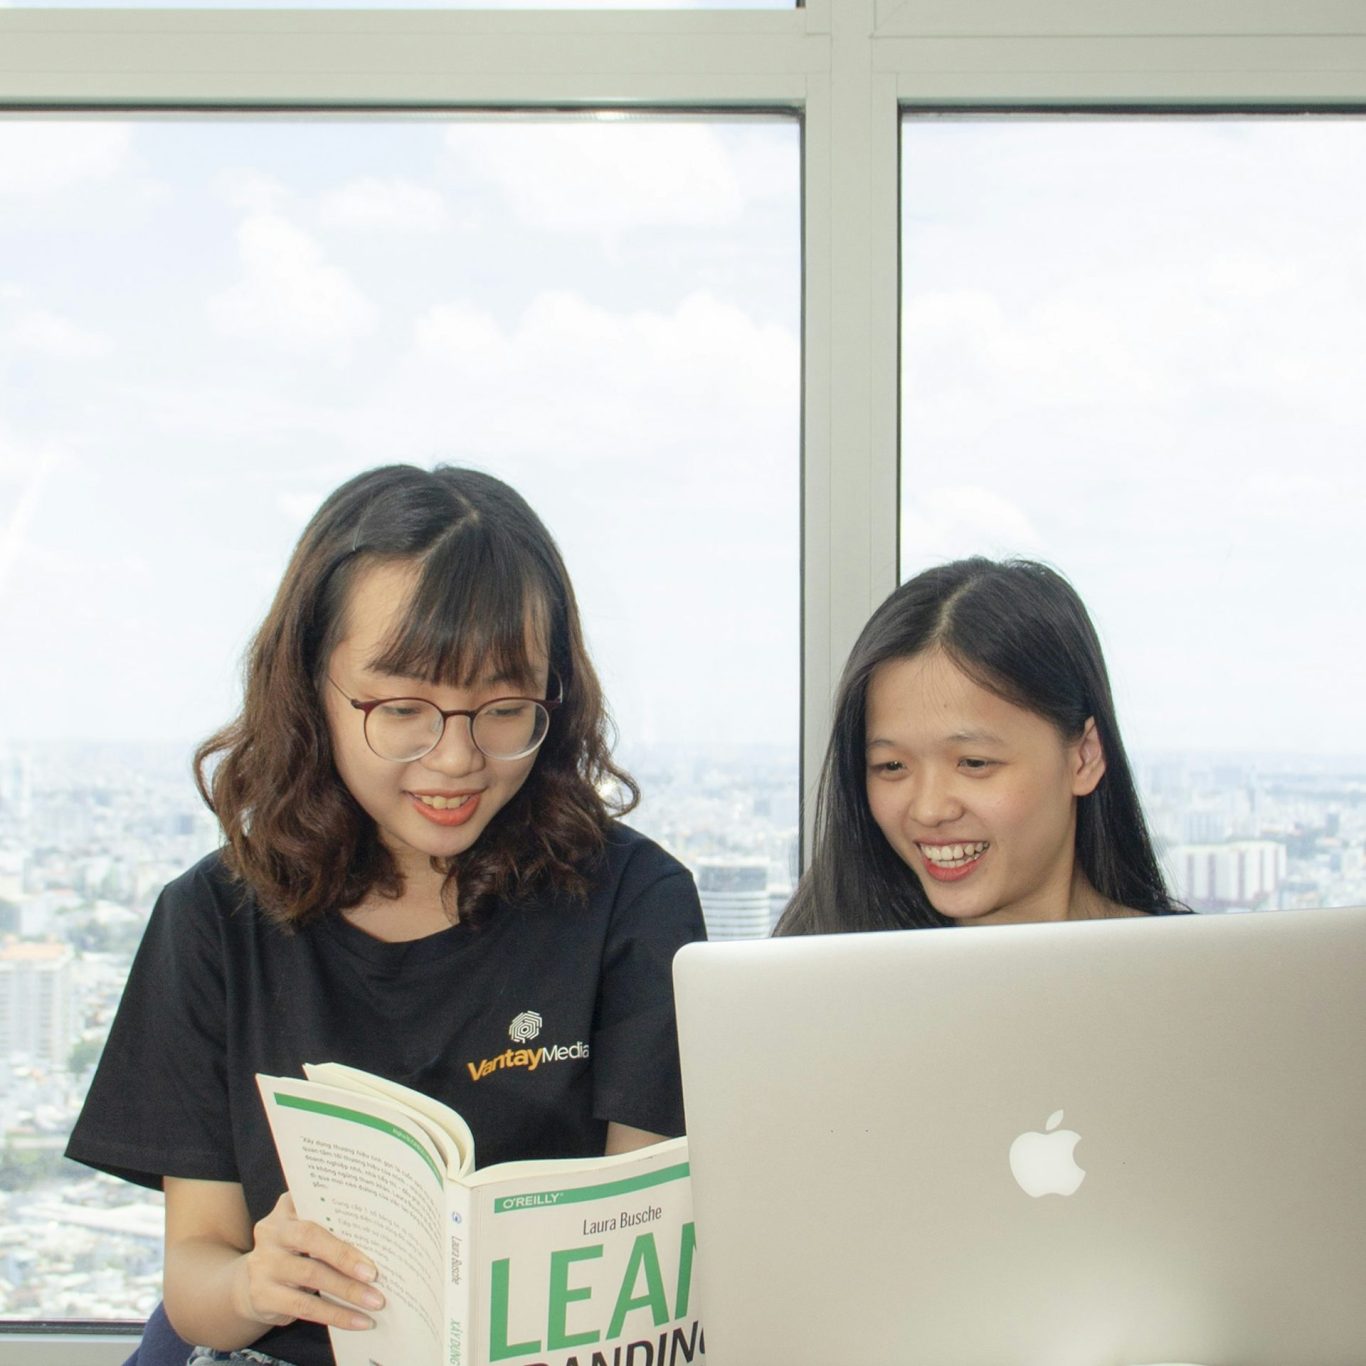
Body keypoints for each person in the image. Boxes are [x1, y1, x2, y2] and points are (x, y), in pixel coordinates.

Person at [66, 464, 706, 1366]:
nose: (456, 758)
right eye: (403, 707)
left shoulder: (633, 905)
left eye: (505, 707)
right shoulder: (212, 921)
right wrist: (255, 1281)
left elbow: (643, 1250)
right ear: (309, 688)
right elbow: (196, 1282)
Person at [777, 556, 1185, 935]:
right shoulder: (813, 976)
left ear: (1084, 757)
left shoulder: (1199, 978)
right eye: (892, 766)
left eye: (973, 763)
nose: (929, 810)